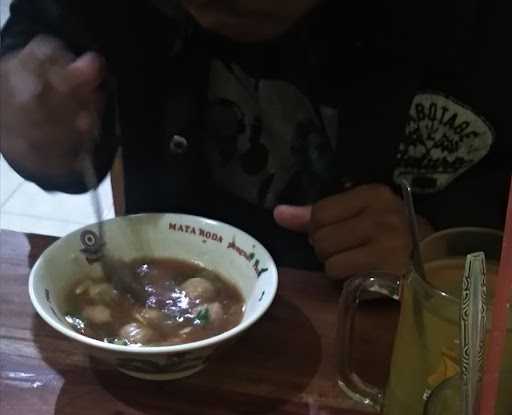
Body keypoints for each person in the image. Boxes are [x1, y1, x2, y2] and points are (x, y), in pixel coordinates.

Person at [0, 0, 509, 275]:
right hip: (157, 328)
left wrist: (440, 252)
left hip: (383, 364)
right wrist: (30, 119)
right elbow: (40, 44)